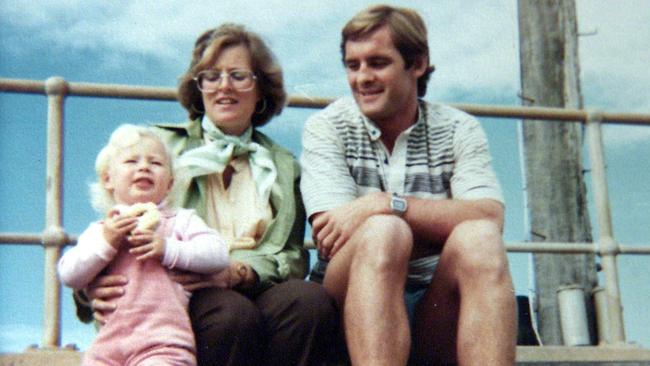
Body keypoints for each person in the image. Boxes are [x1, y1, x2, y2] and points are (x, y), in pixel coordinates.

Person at [75, 23, 338, 366]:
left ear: (260, 89)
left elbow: (290, 257)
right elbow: (109, 223)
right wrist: (87, 291)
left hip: (254, 283)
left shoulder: (284, 165)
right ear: (198, 88)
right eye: (211, 76)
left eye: (238, 75)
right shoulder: (159, 146)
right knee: (230, 315)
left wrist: (239, 272)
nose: (224, 86)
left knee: (309, 303)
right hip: (178, 288)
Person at [300, 5, 517, 366]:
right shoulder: (327, 127)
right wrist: (433, 226)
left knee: (478, 239)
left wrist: (386, 203)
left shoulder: (458, 129)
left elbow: (489, 217)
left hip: (436, 305)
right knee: (385, 234)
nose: (362, 77)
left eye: (378, 62)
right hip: (348, 303)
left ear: (416, 64)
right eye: (353, 66)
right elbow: (331, 238)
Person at [59, 124, 230, 365]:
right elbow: (69, 275)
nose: (144, 167)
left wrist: (168, 249)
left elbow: (218, 255)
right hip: (106, 347)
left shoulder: (180, 221)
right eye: (131, 161)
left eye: (156, 163)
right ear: (108, 179)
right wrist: (107, 242)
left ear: (169, 184)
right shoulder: (100, 230)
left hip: (163, 345)